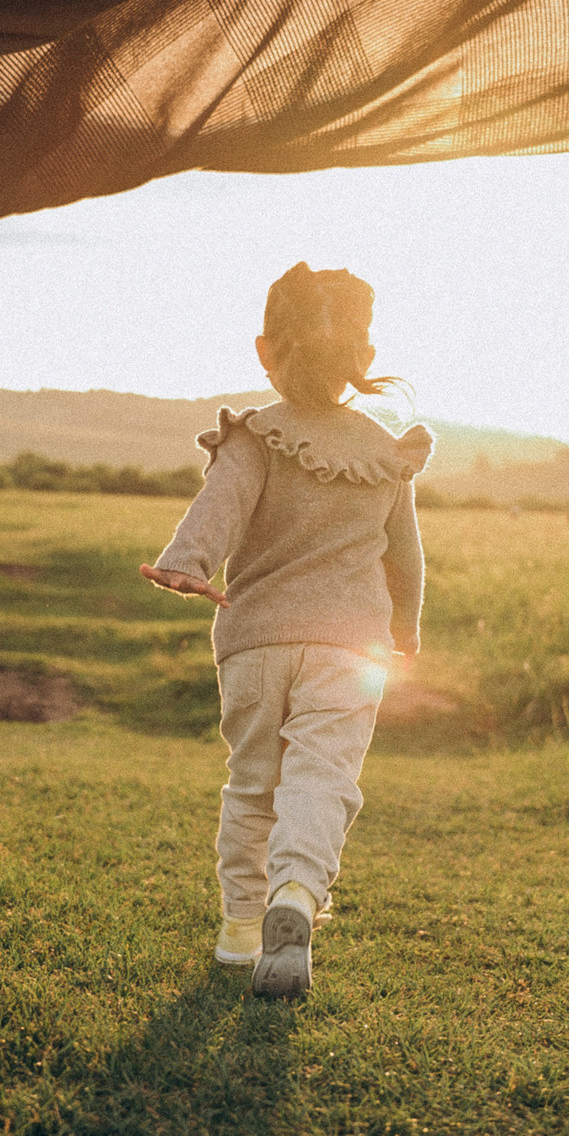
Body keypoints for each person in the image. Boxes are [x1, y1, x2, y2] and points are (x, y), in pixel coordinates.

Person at [141, 264, 430, 997]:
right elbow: (405, 556)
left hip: (256, 640)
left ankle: (242, 929)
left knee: (252, 785)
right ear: (362, 357)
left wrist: (187, 562)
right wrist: (407, 628)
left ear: (266, 348)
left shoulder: (254, 437)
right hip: (350, 647)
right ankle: (296, 892)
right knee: (321, 778)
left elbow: (219, 506)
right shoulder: (384, 451)